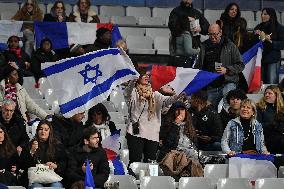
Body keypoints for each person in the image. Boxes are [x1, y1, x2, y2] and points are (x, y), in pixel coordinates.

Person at [124, 68, 184, 164]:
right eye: (144, 75)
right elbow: (127, 93)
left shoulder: (154, 93)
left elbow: (166, 101)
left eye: (148, 75)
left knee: (150, 162)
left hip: (152, 133)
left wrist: (176, 96)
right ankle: (134, 178)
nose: (147, 77)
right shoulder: (133, 92)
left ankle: (149, 179)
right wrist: (132, 81)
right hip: (135, 132)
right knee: (135, 161)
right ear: (138, 77)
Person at [194, 24, 244, 110]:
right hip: (210, 85)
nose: (212, 37)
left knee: (228, 105)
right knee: (209, 111)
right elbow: (198, 67)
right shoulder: (204, 46)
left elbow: (241, 65)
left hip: (227, 82)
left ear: (220, 32)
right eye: (210, 34)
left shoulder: (230, 45)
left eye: (215, 34)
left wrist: (227, 70)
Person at [21, 120, 66, 188]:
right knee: (37, 187)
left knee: (57, 186)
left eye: (46, 130)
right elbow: (23, 165)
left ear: (50, 132)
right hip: (35, 179)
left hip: (52, 178)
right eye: (40, 129)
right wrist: (32, 152)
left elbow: (64, 162)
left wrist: (56, 166)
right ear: (37, 131)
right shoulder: (29, 145)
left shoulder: (57, 145)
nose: (43, 132)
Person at [254, 8, 284, 84]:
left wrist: (270, 41)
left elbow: (282, 45)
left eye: (265, 14)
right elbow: (253, 43)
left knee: (271, 83)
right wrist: (254, 35)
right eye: (262, 14)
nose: (262, 16)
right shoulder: (258, 27)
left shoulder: (279, 28)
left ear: (271, 15)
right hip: (260, 60)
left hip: (273, 59)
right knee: (260, 84)